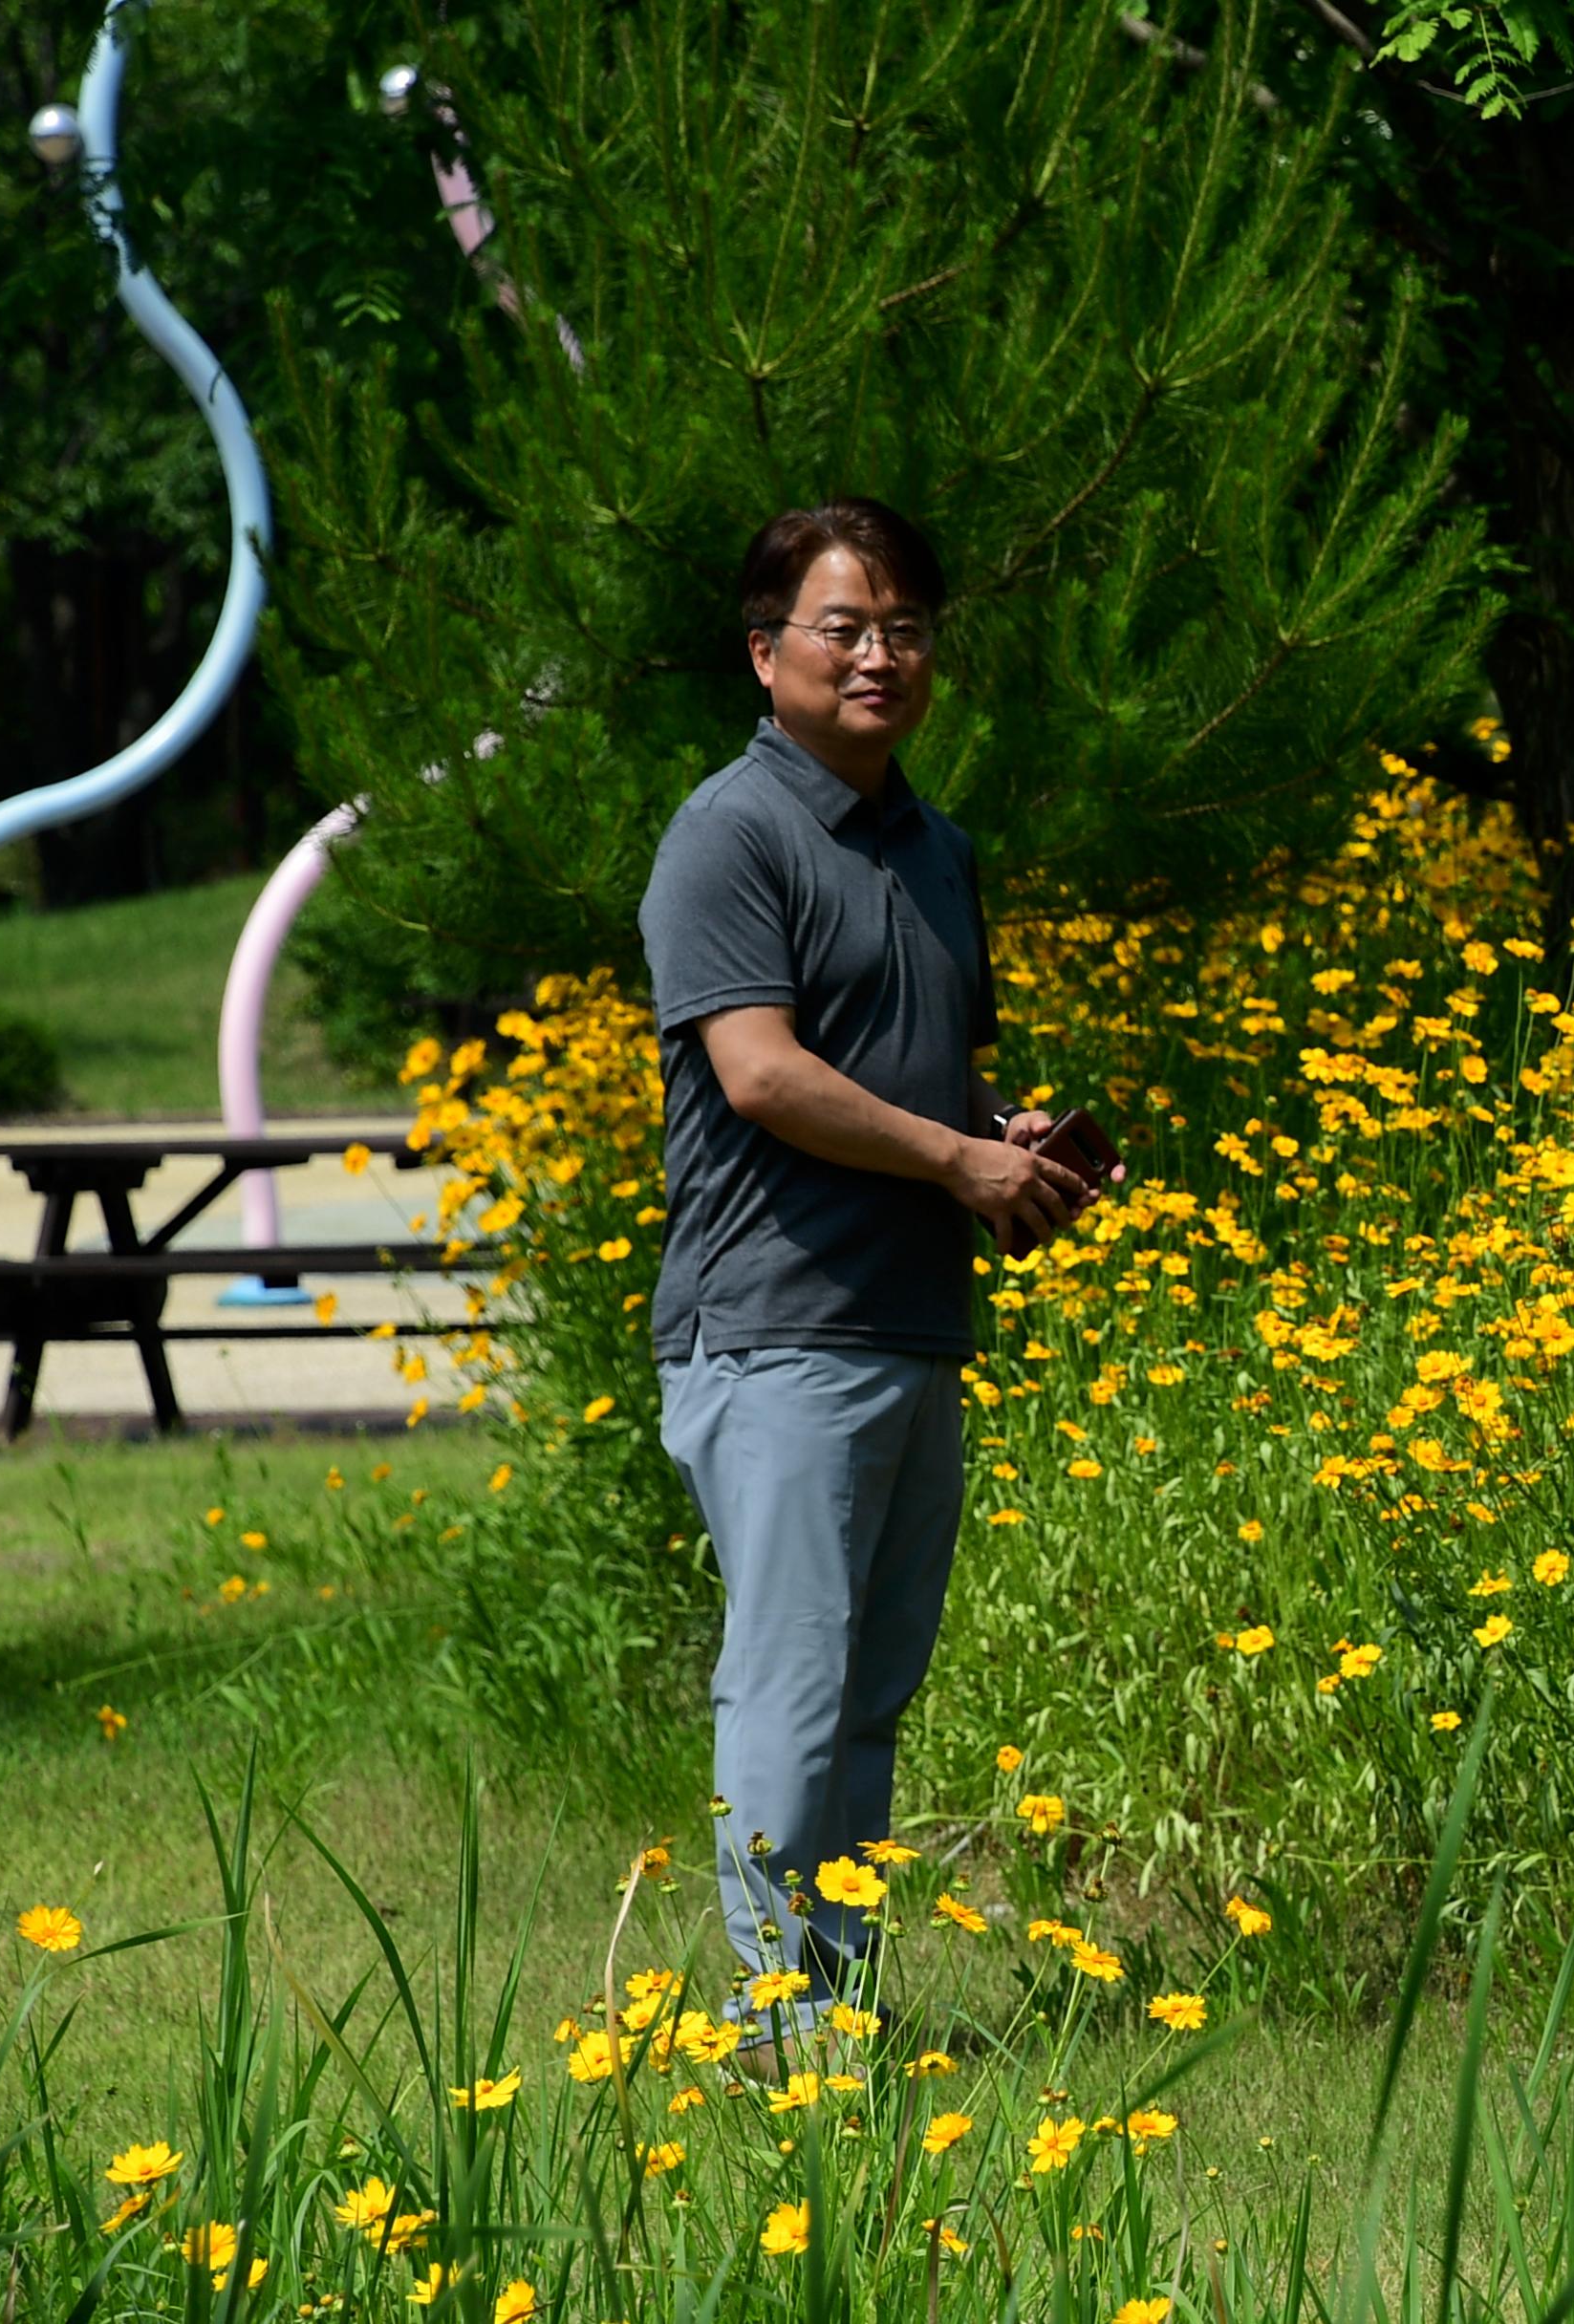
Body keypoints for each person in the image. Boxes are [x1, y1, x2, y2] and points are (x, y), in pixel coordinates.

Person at [638, 498, 1089, 2052]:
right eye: (845, 627)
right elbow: (760, 1075)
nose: (880, 654)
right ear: (767, 654)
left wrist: (1002, 1138)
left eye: (904, 628)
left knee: (869, 1698)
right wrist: (959, 1161)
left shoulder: (936, 847)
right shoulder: (730, 833)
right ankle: (776, 2032)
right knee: (791, 1695)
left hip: (908, 1324)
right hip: (771, 1329)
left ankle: (834, 2013)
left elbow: (926, 1078)